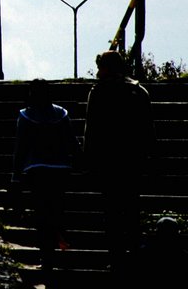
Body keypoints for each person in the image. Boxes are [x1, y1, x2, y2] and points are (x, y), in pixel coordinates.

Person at [83, 50, 154, 272]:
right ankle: (133, 254)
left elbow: (91, 129)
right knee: (132, 209)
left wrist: (89, 159)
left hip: (109, 162)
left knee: (112, 211)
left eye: (100, 66)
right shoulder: (138, 92)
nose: (97, 72)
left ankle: (116, 258)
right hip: (132, 161)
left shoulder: (98, 92)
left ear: (106, 68)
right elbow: (148, 130)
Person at [12, 79, 81, 267]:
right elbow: (72, 142)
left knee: (42, 213)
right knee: (57, 209)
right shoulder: (61, 114)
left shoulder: (26, 116)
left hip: (37, 169)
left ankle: (47, 254)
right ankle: (57, 245)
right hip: (60, 169)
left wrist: (15, 177)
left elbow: (20, 149)